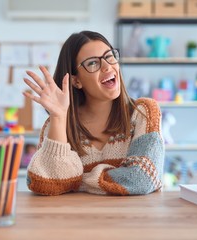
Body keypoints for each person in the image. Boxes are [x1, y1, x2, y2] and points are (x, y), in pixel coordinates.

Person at [23, 30, 164, 196]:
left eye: (109, 56)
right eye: (92, 63)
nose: (107, 66)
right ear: (76, 81)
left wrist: (75, 181)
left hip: (132, 220)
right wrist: (59, 117)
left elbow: (141, 179)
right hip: (77, 219)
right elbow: (44, 183)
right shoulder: (57, 124)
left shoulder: (143, 112)